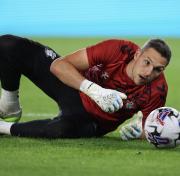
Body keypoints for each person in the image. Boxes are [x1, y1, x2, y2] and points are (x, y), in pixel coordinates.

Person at [0, 34, 171, 140]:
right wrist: (95, 91)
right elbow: (58, 66)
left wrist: (138, 133)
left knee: (59, 130)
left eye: (158, 69)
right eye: (147, 62)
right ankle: (10, 108)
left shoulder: (158, 89)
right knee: (8, 44)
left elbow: (150, 129)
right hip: (75, 88)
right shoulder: (118, 49)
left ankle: (3, 128)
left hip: (93, 121)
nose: (149, 72)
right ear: (137, 54)